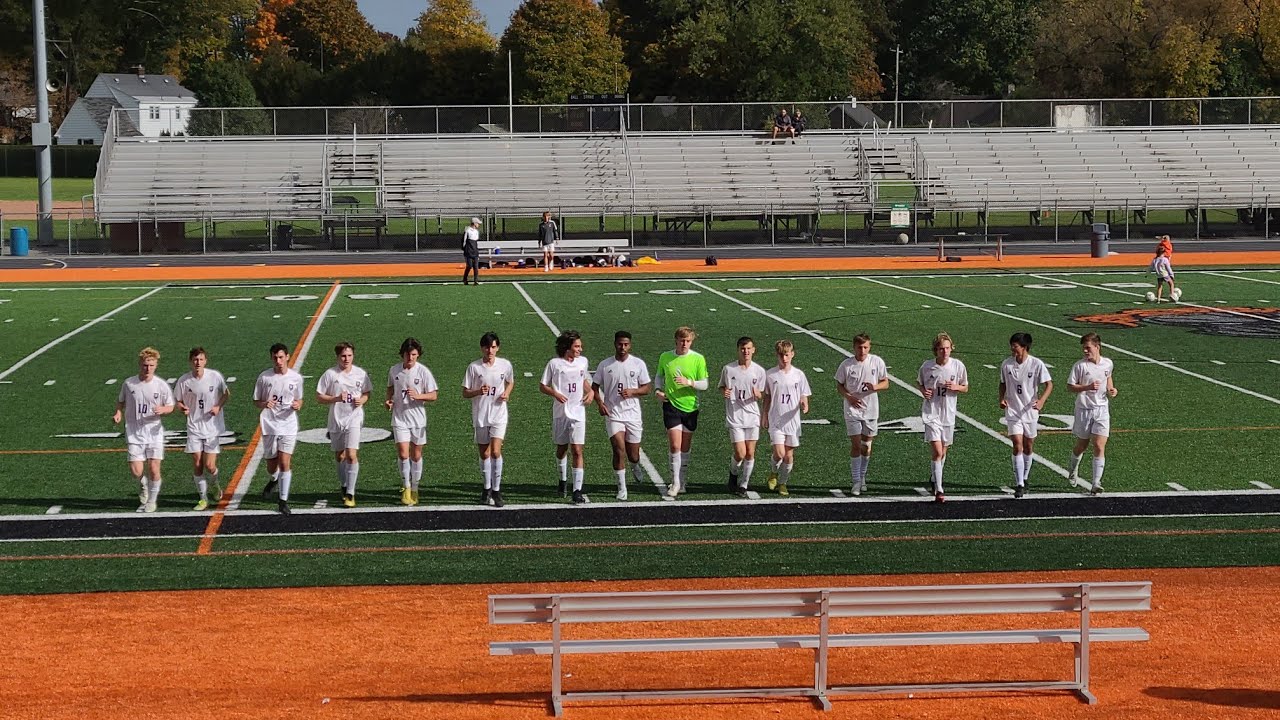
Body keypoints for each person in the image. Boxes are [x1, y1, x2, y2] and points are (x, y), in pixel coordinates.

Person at [112, 347, 175, 513]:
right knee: (136, 471)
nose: (148, 368)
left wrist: (163, 409)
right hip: (134, 432)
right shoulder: (129, 383)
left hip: (154, 432)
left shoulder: (161, 385)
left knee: (154, 468)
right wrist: (118, 412)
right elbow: (121, 401)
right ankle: (143, 485)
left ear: (156, 365)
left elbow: (170, 406)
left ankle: (152, 501)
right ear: (140, 364)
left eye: (151, 365)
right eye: (145, 365)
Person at [593, 330, 652, 501]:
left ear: (630, 345)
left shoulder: (638, 364)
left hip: (633, 414)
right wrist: (600, 404)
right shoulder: (605, 365)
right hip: (614, 414)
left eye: (626, 344)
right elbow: (594, 387)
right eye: (620, 344)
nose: (623, 347)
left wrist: (633, 391)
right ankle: (622, 487)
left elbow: (647, 388)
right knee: (619, 450)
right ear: (615, 344)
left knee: (633, 454)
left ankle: (634, 465)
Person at [540, 330, 594, 504]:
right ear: (567, 347)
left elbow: (583, 380)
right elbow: (543, 386)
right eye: (577, 346)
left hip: (578, 412)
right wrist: (555, 393)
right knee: (562, 449)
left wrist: (591, 392)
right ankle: (562, 480)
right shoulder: (554, 364)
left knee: (577, 450)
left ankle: (577, 490)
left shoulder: (583, 362)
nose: (580, 349)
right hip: (561, 412)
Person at [317, 342, 372, 508]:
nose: (346, 359)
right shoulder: (330, 374)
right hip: (336, 418)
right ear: (337, 357)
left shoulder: (360, 374)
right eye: (343, 356)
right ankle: (344, 485)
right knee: (340, 455)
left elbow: (367, 392)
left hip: (354, 417)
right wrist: (335, 398)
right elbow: (319, 397)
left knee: (351, 455)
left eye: (349, 355)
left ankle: (350, 493)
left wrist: (362, 400)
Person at [655, 326, 709, 497]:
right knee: (675, 445)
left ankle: (682, 480)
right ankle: (675, 482)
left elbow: (705, 384)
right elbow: (659, 375)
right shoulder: (666, 357)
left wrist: (689, 382)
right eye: (682, 340)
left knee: (685, 447)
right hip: (671, 405)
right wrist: (658, 390)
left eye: (688, 341)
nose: (684, 344)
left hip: (690, 407)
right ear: (676, 340)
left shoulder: (698, 359)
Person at [174, 347, 229, 511]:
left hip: (212, 427)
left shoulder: (215, 376)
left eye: (201, 359)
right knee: (198, 464)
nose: (198, 362)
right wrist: (182, 408)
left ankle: (215, 485)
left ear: (205, 361)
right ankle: (203, 499)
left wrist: (218, 406)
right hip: (194, 427)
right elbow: (177, 400)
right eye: (195, 360)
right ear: (190, 361)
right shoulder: (184, 381)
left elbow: (226, 394)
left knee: (210, 465)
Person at [998, 333, 1053, 498]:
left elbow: (1049, 384)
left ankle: (1025, 476)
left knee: (1028, 446)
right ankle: (1019, 484)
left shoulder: (1036, 364)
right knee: (1017, 445)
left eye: (1015, 346)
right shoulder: (1007, 364)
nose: (1012, 349)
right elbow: (1002, 383)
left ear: (1024, 347)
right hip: (1013, 411)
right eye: (1012, 345)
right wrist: (1001, 398)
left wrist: (1041, 401)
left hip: (1029, 411)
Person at [463, 332, 514, 507]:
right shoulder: (474, 368)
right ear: (482, 348)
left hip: (499, 414)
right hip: (481, 415)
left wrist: (507, 393)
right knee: (484, 453)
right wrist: (478, 391)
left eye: (493, 347)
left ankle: (497, 490)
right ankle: (486, 488)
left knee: (496, 452)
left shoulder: (505, 365)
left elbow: (510, 382)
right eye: (487, 347)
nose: (490, 351)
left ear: (497, 348)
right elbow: (465, 392)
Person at [916, 332, 969, 503]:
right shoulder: (927, 366)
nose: (944, 352)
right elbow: (919, 382)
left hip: (948, 413)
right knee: (937, 451)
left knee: (944, 451)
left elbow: (965, 387)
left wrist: (956, 387)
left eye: (947, 348)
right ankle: (939, 489)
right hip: (931, 413)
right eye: (941, 349)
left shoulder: (958, 366)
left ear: (951, 348)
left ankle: (934, 477)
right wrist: (924, 391)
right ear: (936, 350)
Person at [834, 333, 889, 496]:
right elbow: (839, 385)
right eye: (860, 347)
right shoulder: (847, 365)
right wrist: (849, 397)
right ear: (854, 347)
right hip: (852, 410)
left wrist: (875, 387)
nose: (863, 350)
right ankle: (856, 481)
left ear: (869, 347)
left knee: (867, 445)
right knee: (856, 445)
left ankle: (863, 476)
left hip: (871, 409)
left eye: (865, 347)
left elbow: (886, 382)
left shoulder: (877, 362)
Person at [386, 337, 438, 506]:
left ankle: (415, 487)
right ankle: (406, 487)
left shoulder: (423, 372)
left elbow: (433, 395)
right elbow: (390, 388)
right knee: (403, 454)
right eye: (408, 354)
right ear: (402, 354)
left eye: (414, 354)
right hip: (399, 419)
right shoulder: (394, 370)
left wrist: (419, 396)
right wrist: (389, 400)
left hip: (418, 420)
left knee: (416, 455)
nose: (411, 358)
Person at [255, 343, 304, 515]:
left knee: (284, 463)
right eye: (275, 358)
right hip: (269, 424)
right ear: (271, 358)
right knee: (271, 465)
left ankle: (283, 501)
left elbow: (299, 399)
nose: (278, 361)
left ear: (287, 357)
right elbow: (256, 401)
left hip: (288, 424)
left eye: (281, 357)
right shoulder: (264, 377)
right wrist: (264, 403)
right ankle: (274, 479)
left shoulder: (295, 378)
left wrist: (298, 404)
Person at [1067, 333, 1117, 495]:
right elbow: (1070, 387)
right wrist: (1086, 387)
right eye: (1084, 348)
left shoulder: (1107, 363)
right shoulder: (1080, 366)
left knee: (1099, 445)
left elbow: (1108, 377)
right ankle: (1073, 469)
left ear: (1097, 347)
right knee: (1082, 445)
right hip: (1084, 409)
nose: (1085, 351)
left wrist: (1111, 389)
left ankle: (1096, 483)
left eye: (1088, 348)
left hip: (1102, 409)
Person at [761, 340, 812, 496]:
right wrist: (764, 414)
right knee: (779, 453)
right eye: (781, 355)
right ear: (777, 355)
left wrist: (804, 404)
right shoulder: (770, 375)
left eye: (787, 355)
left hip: (792, 421)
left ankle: (783, 483)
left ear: (792, 354)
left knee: (789, 456)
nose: (784, 358)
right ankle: (773, 472)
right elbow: (767, 396)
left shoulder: (799, 375)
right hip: (776, 420)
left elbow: (803, 394)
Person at [718, 336, 766, 497]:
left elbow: (761, 393)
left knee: (750, 453)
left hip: (752, 416)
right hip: (735, 416)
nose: (746, 352)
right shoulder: (729, 369)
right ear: (738, 350)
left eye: (748, 349)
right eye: (743, 349)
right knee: (740, 453)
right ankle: (733, 473)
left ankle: (744, 484)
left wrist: (758, 395)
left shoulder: (759, 371)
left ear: (753, 350)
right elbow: (722, 386)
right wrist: (724, 391)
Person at [462, 216, 482, 285]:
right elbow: (464, 241)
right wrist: (465, 250)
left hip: (475, 252)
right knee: (469, 266)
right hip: (468, 252)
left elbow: (475, 242)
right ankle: (465, 278)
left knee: (476, 267)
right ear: (474, 223)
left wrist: (477, 252)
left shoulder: (476, 232)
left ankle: (476, 281)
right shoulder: (467, 231)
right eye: (477, 223)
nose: (478, 225)